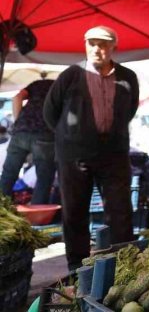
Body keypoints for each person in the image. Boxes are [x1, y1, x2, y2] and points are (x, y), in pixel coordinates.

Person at [44, 26, 139, 270]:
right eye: (92, 43)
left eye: (104, 43)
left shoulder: (128, 77)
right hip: (75, 156)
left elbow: (130, 110)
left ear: (113, 47)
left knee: (120, 211)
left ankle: (124, 263)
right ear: (85, 45)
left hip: (114, 153)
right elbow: (50, 112)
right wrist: (72, 137)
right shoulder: (71, 75)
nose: (98, 48)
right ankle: (77, 266)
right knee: (75, 211)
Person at [0, 74, 56, 203]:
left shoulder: (36, 84)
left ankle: (2, 212)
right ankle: (37, 217)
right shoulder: (62, 87)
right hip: (45, 134)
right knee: (44, 178)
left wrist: (19, 121)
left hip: (21, 132)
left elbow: (17, 97)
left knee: (9, 174)